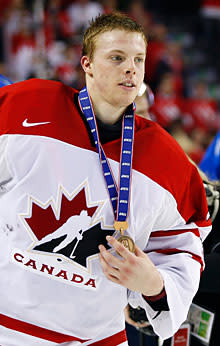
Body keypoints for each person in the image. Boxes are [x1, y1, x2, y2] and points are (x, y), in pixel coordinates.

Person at [0, 12, 211, 346]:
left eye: (138, 59)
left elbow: (185, 244)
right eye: (117, 58)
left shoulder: (167, 159)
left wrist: (154, 285)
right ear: (87, 64)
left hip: (96, 338)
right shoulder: (24, 107)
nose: (131, 68)